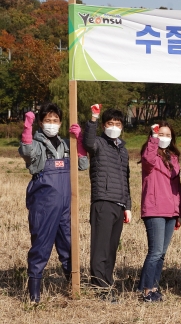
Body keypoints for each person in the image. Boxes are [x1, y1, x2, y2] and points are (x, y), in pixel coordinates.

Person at [18, 103, 89, 303]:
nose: (52, 124)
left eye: (55, 120)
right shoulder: (38, 143)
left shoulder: (67, 144)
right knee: (41, 245)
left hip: (66, 205)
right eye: (47, 120)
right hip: (43, 204)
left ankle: (72, 286)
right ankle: (34, 292)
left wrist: (79, 142)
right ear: (41, 123)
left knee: (68, 245)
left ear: (60, 123)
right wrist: (27, 129)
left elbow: (83, 165)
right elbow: (26, 151)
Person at [83, 104, 132, 302]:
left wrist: (128, 205)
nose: (114, 126)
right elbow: (87, 143)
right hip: (102, 201)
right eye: (110, 123)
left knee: (112, 248)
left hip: (119, 204)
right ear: (104, 125)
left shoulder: (123, 150)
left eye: (117, 124)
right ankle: (99, 286)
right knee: (100, 247)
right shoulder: (98, 143)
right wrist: (93, 119)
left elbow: (126, 179)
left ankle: (107, 282)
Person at [137, 122, 181, 302]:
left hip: (171, 211)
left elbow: (177, 187)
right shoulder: (151, 155)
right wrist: (153, 138)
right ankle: (147, 290)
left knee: (162, 253)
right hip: (154, 209)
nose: (164, 137)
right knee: (155, 251)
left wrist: (178, 211)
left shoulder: (174, 158)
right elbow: (148, 157)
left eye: (166, 134)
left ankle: (154, 286)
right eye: (159, 134)